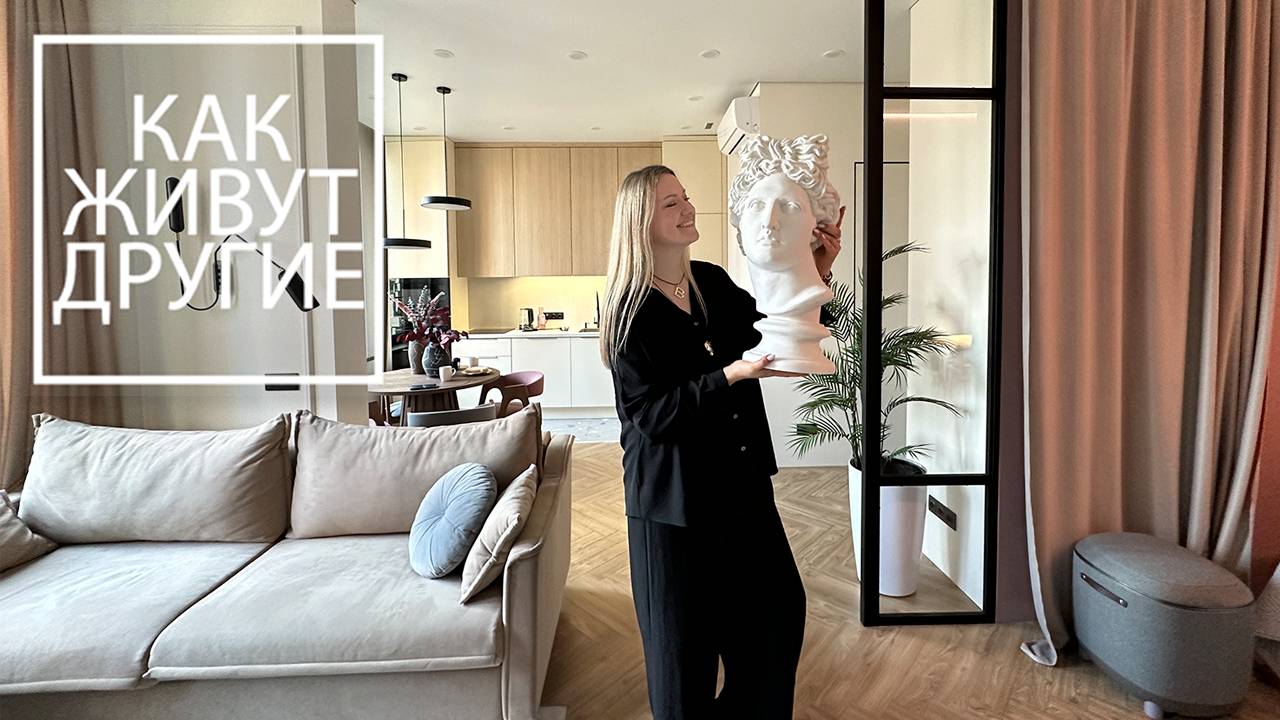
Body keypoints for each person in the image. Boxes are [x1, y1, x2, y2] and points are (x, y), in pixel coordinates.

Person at [599, 164, 843, 719]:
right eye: (670, 203)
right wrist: (730, 375)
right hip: (673, 504)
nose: (688, 207)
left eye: (685, 196)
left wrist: (817, 267)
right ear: (639, 221)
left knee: (775, 617)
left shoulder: (709, 281)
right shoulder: (626, 309)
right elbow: (650, 416)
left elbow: (773, 334)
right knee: (682, 650)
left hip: (741, 484)